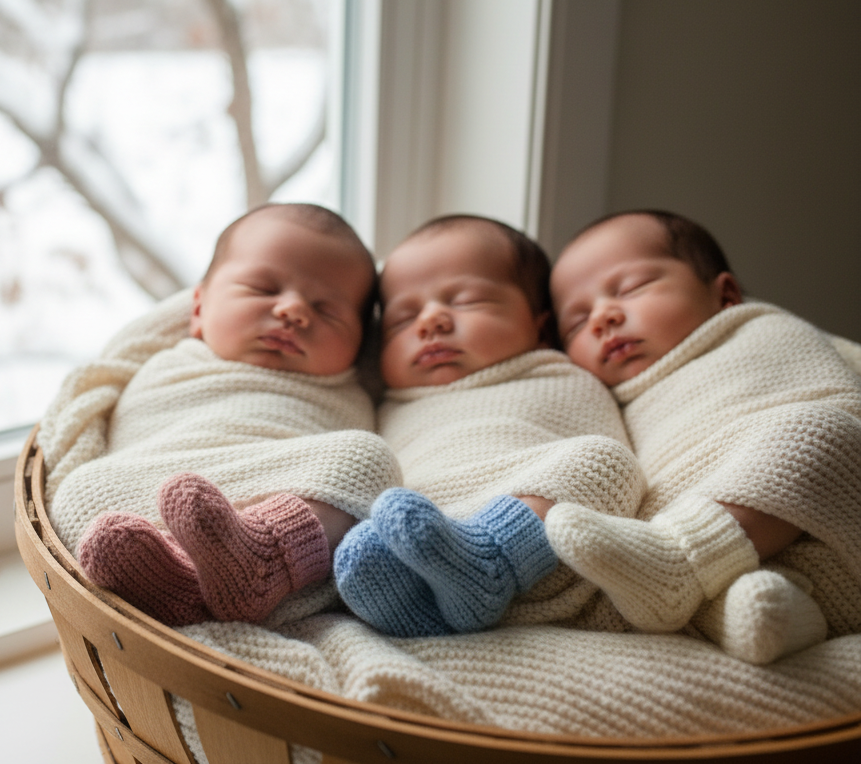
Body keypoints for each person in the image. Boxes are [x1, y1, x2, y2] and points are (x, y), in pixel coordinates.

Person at [47, 203, 401, 626]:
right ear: (196, 310)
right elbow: (97, 405)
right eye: (263, 289)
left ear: (362, 343)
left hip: (273, 502)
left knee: (368, 460)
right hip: (148, 490)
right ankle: (183, 579)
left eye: (327, 310)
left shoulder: (353, 388)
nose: (293, 311)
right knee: (80, 489)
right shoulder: (167, 358)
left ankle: (264, 560)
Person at [546, 209, 861, 663]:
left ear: (726, 295)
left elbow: (845, 394)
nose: (602, 318)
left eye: (630, 289)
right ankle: (783, 622)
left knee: (819, 431)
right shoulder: (604, 404)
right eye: (576, 323)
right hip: (743, 573)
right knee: (753, 600)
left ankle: (678, 559)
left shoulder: (758, 331)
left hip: (828, 530)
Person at [334, 215, 645, 638]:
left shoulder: (557, 373)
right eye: (401, 320)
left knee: (605, 463)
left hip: (542, 542)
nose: (430, 322)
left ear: (540, 328)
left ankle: (490, 559)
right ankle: (427, 610)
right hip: (429, 538)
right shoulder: (378, 400)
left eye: (467, 301)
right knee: (365, 540)